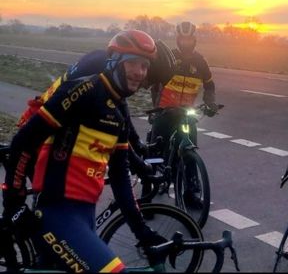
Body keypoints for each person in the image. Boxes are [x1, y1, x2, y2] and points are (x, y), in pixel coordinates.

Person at [2, 30, 167, 272]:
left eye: (144, 66)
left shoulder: (119, 109)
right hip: (58, 214)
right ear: (114, 61)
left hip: (85, 215)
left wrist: (142, 231)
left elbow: (120, 178)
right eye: (133, 63)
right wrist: (14, 203)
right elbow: (24, 141)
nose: (140, 72)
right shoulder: (83, 91)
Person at [16, 39, 176, 180]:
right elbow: (113, 127)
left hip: (53, 116)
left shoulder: (109, 62)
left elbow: (122, 110)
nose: (146, 87)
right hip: (43, 121)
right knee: (48, 189)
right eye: (151, 81)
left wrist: (137, 143)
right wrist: (135, 160)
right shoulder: (104, 69)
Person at [148, 21, 217, 158]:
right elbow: (155, 84)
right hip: (165, 110)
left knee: (191, 144)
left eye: (189, 39)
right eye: (183, 40)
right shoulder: (169, 57)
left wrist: (210, 103)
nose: (186, 43)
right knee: (156, 149)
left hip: (187, 112)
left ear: (194, 40)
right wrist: (155, 108)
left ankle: (189, 168)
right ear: (178, 40)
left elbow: (209, 85)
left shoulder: (200, 61)